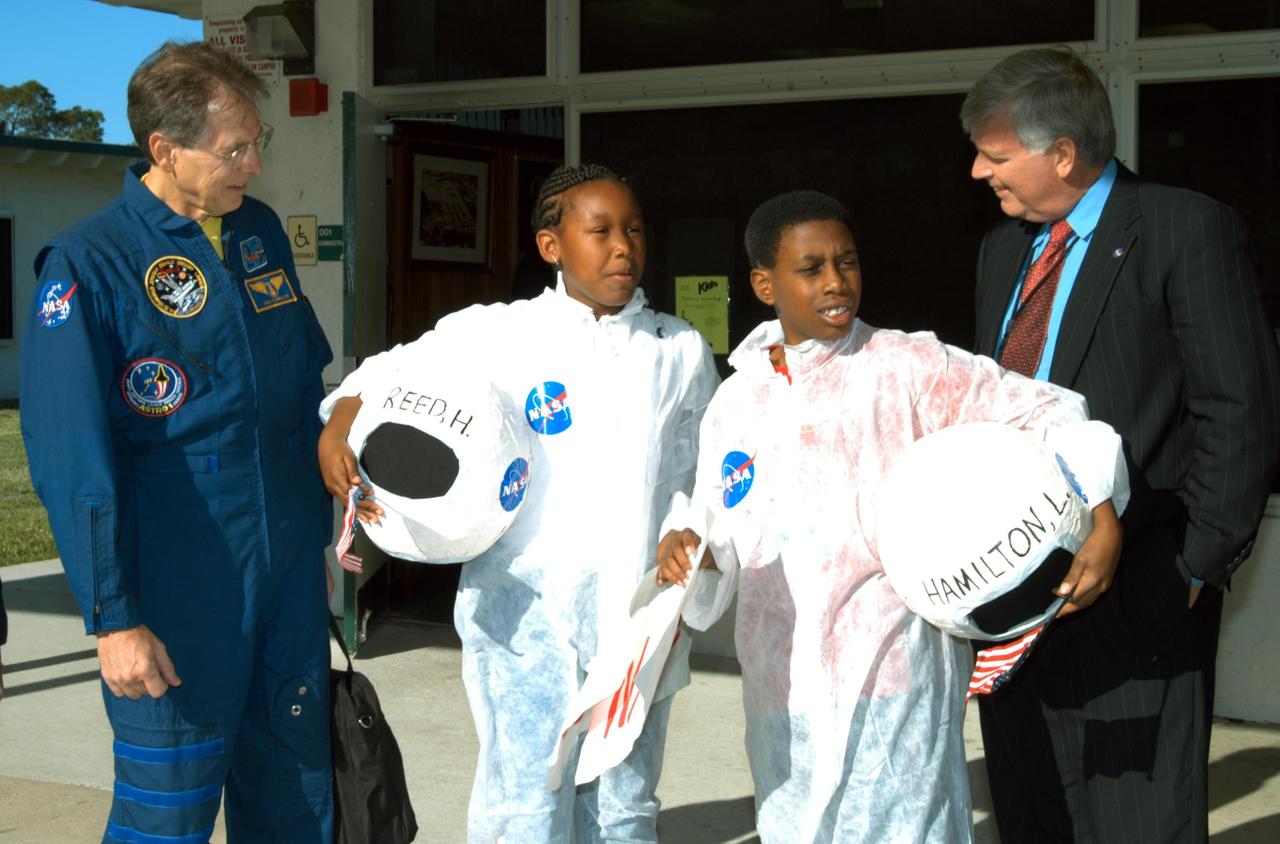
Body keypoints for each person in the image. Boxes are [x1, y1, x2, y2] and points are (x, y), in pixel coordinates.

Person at [656, 190, 1128, 843]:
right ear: (765, 284)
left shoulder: (906, 367)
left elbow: (1050, 412)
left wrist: (1099, 511)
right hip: (781, 683)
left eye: (846, 263)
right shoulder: (737, 402)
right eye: (811, 267)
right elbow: (720, 528)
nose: (835, 282)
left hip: (893, 674)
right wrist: (694, 549)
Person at [317, 163, 718, 842]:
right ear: (551, 245)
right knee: (526, 801)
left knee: (623, 801)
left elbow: (698, 469)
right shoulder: (499, 333)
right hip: (527, 620)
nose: (624, 246)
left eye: (634, 230)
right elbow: (383, 373)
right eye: (601, 231)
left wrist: (688, 533)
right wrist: (336, 428)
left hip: (637, 623)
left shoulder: (676, 348)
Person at [962, 47, 1280, 842]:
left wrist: (1194, 566)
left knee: (1136, 817)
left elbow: (1239, 410)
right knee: (1033, 809)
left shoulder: (1183, 227)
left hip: (1142, 586)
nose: (976, 172)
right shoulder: (1004, 250)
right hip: (1019, 599)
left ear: (1061, 154)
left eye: (995, 155)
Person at [19, 42, 334, 843]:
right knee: (168, 811)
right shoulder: (90, 264)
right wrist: (113, 618)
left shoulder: (257, 233)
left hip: (288, 573)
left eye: (257, 141)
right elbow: (71, 461)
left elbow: (303, 389)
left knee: (296, 797)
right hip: (178, 586)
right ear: (165, 150)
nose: (256, 164)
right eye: (235, 149)